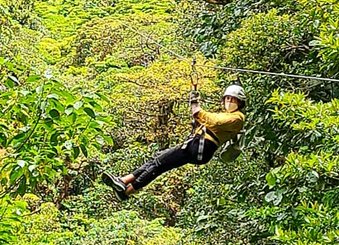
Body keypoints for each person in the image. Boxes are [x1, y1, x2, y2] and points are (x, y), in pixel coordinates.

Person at [103, 83, 246, 199]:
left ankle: (124, 184)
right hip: (197, 147)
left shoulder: (237, 118)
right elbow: (200, 118)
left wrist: (197, 108)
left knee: (158, 162)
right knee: (157, 162)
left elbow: (213, 120)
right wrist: (195, 98)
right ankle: (125, 188)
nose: (230, 101)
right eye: (228, 98)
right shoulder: (228, 116)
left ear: (240, 102)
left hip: (200, 147)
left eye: (233, 99)